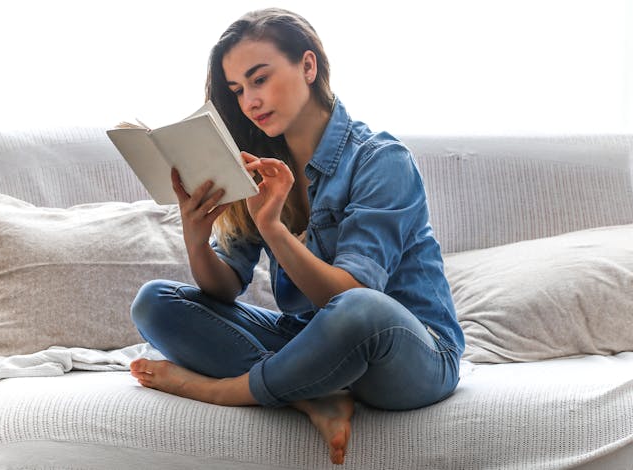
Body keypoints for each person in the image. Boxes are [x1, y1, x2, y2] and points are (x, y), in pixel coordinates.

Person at [128, 7, 464, 465]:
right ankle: (309, 394)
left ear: (308, 66)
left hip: (411, 351)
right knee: (154, 302)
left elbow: (353, 296)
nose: (249, 101)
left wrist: (274, 229)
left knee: (359, 309)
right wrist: (195, 233)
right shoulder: (259, 163)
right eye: (238, 90)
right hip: (312, 340)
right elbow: (224, 288)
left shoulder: (380, 159)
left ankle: (227, 390)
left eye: (259, 79)